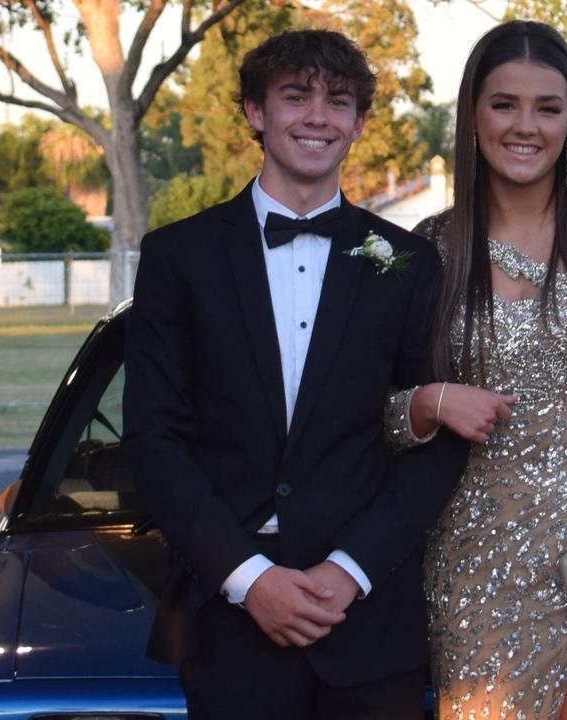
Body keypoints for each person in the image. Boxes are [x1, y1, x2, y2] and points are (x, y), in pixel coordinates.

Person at [123, 29, 470, 720]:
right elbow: (154, 441)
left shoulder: (408, 262)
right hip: (231, 625)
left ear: (359, 123)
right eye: (295, 96)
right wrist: (249, 581)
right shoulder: (178, 256)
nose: (318, 116)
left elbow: (438, 437)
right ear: (255, 111)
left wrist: (350, 570)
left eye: (338, 101)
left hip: (369, 626)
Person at [383, 20, 567, 720]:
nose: (526, 126)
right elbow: (382, 415)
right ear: (473, 115)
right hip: (473, 574)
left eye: (548, 107)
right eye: (504, 104)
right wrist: (427, 403)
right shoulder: (428, 250)